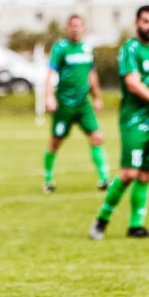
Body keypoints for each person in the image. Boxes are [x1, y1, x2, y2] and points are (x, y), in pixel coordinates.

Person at [88, 6, 149, 240]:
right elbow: (133, 84)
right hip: (134, 121)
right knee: (128, 173)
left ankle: (136, 226)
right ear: (137, 23)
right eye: (146, 21)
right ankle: (101, 220)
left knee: (146, 174)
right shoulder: (130, 49)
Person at [42, 14, 110, 193]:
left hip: (83, 104)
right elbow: (50, 73)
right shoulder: (60, 48)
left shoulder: (87, 48)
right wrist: (49, 96)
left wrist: (97, 97)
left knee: (97, 137)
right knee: (56, 142)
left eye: (78, 26)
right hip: (64, 105)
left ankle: (104, 179)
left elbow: (92, 74)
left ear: (83, 28)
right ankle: (48, 179)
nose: (75, 29)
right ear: (67, 28)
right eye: (72, 25)